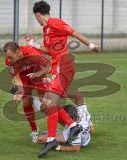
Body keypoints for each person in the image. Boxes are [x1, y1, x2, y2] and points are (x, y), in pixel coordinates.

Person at [28, 1, 99, 157]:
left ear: (38, 14)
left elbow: (74, 33)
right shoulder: (46, 29)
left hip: (64, 65)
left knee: (48, 103)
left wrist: (91, 45)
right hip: (56, 67)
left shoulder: (55, 23)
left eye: (36, 17)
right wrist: (35, 45)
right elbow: (50, 50)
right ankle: (71, 127)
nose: (37, 20)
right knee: (46, 105)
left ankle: (57, 136)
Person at [3, 41, 50, 140]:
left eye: (10, 57)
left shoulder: (33, 54)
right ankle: (34, 130)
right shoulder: (9, 61)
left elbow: (48, 67)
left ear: (19, 51)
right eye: (7, 57)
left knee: (46, 104)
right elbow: (16, 77)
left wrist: (41, 76)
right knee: (26, 102)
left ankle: (72, 124)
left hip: (38, 73)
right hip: (25, 77)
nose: (8, 60)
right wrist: (20, 91)